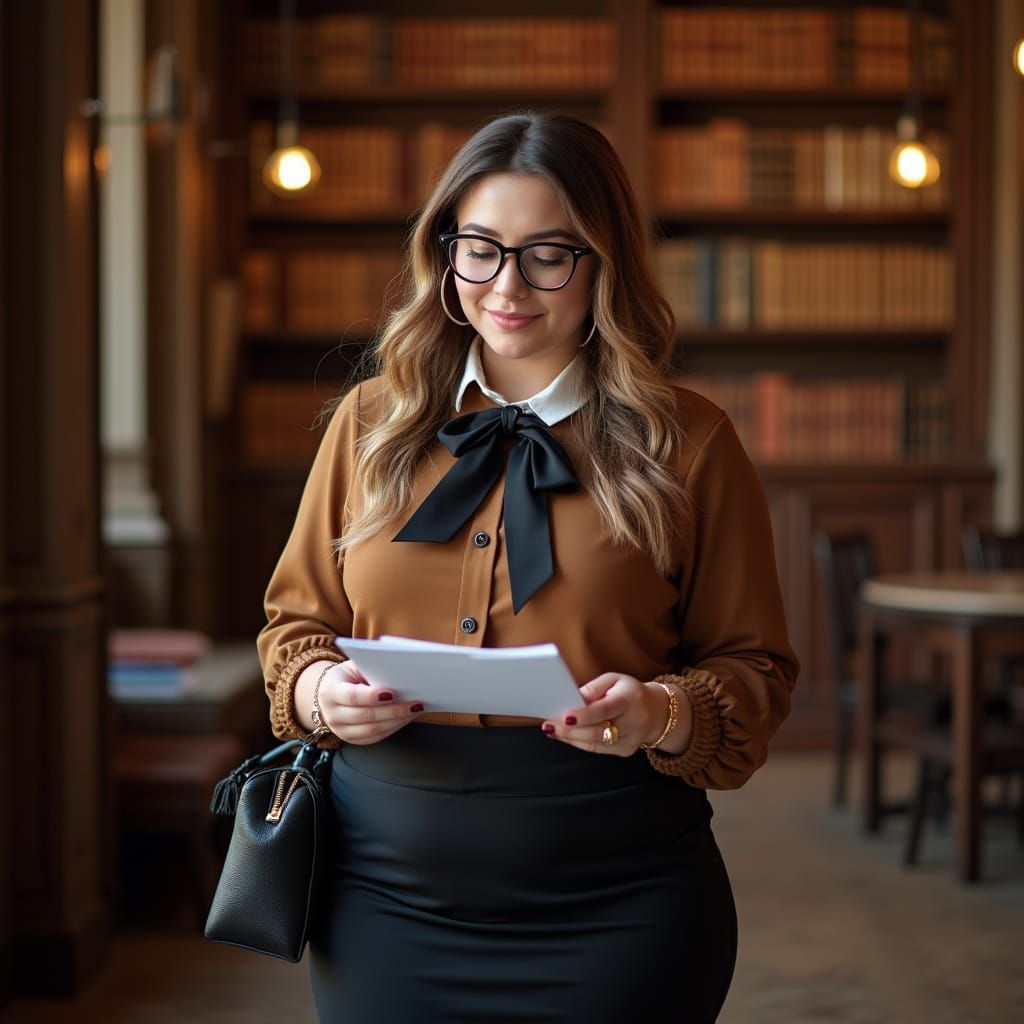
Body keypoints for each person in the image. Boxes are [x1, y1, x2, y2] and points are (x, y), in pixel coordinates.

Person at [257, 111, 798, 1023]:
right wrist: (317, 695)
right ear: (446, 257)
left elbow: (756, 674)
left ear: (603, 263)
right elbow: (294, 628)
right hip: (383, 900)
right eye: (480, 249)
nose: (507, 286)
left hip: (619, 904)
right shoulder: (368, 421)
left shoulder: (692, 442)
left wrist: (659, 713)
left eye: (549, 254)